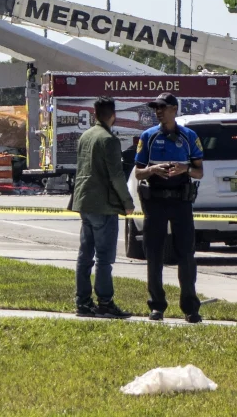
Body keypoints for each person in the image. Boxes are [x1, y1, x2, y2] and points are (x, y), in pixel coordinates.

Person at [133, 92, 204, 323]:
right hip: (155, 201)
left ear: (174, 109)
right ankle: (157, 306)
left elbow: (199, 171)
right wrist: (153, 170)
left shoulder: (189, 136)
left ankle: (191, 308)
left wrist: (184, 169)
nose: (158, 111)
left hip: (181, 201)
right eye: (156, 108)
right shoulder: (148, 136)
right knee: (154, 254)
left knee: (186, 254)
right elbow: (138, 171)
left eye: (162, 107)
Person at [70, 96, 135, 319]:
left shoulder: (85, 137)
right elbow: (116, 176)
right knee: (104, 258)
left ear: (94, 113)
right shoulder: (109, 140)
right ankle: (105, 303)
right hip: (103, 205)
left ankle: (83, 303)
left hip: (84, 202)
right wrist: (127, 202)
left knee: (84, 256)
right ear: (113, 115)